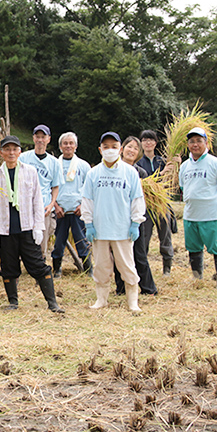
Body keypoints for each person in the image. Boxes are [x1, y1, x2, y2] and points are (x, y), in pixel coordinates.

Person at [0, 136, 64, 313]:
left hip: (27, 228)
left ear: (20, 152)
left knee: (37, 265)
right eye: (7, 149)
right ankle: (13, 302)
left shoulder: (30, 172)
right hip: (6, 229)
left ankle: (52, 302)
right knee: (8, 267)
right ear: (1, 153)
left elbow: (37, 200)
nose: (11, 152)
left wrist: (38, 227)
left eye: (14, 149)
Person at [81, 132, 146, 313]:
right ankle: (101, 299)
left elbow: (137, 199)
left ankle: (132, 301)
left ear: (120, 149)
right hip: (100, 229)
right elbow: (87, 200)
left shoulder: (130, 172)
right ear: (100, 149)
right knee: (101, 266)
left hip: (122, 229)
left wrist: (135, 222)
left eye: (114, 146)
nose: (110, 150)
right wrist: (89, 224)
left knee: (127, 266)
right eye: (106, 147)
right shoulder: (93, 173)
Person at [178, 127, 217, 291]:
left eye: (199, 141)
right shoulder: (185, 166)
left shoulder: (216, 164)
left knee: (216, 247)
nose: (195, 145)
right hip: (190, 214)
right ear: (188, 145)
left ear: (206, 143)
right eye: (192, 141)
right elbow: (183, 187)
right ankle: (197, 278)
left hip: (210, 215)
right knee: (193, 247)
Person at [114, 136, 158, 296]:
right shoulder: (113, 169)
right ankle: (120, 288)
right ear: (122, 149)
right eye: (129, 146)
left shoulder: (141, 172)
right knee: (118, 254)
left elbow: (147, 197)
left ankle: (148, 289)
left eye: (135, 148)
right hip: (117, 217)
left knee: (139, 254)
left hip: (135, 218)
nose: (131, 150)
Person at [51, 132, 92, 277]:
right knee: (58, 242)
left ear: (76, 146)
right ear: (60, 146)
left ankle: (88, 269)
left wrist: (83, 205)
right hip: (60, 210)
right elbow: (49, 187)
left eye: (71, 143)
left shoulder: (83, 165)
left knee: (81, 240)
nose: (68, 146)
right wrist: (55, 205)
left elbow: (89, 188)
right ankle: (57, 269)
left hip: (77, 210)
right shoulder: (55, 164)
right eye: (65, 143)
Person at [20, 125, 63, 261]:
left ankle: (41, 264)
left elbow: (55, 186)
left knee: (41, 240)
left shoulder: (54, 163)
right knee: (24, 239)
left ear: (48, 139)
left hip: (43, 207)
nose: (40, 140)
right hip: (25, 206)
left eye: (43, 137)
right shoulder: (23, 158)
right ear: (33, 138)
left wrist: (51, 205)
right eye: (37, 137)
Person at [137, 129, 177, 275]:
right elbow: (144, 183)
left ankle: (167, 268)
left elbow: (172, 182)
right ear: (141, 143)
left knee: (165, 236)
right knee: (144, 238)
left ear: (156, 142)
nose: (148, 143)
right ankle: (143, 269)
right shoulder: (138, 163)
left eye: (151, 140)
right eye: (145, 140)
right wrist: (162, 173)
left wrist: (175, 167)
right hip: (145, 205)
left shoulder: (163, 160)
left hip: (162, 204)